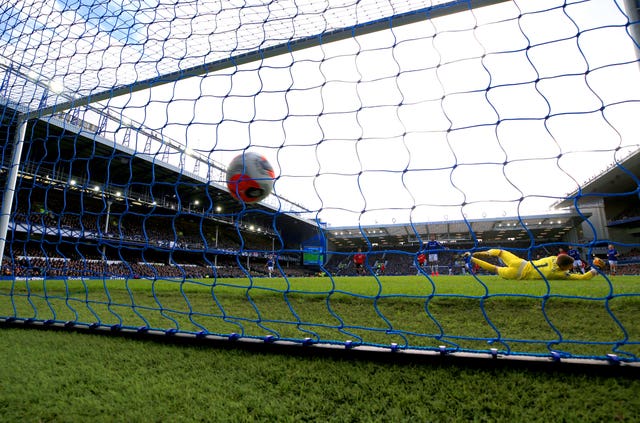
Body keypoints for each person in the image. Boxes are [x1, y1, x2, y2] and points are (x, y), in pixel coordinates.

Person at [464, 249, 598, 280]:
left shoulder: (552, 258)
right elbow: (582, 277)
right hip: (517, 274)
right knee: (495, 268)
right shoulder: (559, 273)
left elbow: (562, 260)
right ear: (565, 267)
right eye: (570, 266)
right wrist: (597, 269)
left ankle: (475, 253)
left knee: (500, 252)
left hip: (520, 262)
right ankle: (472, 259)